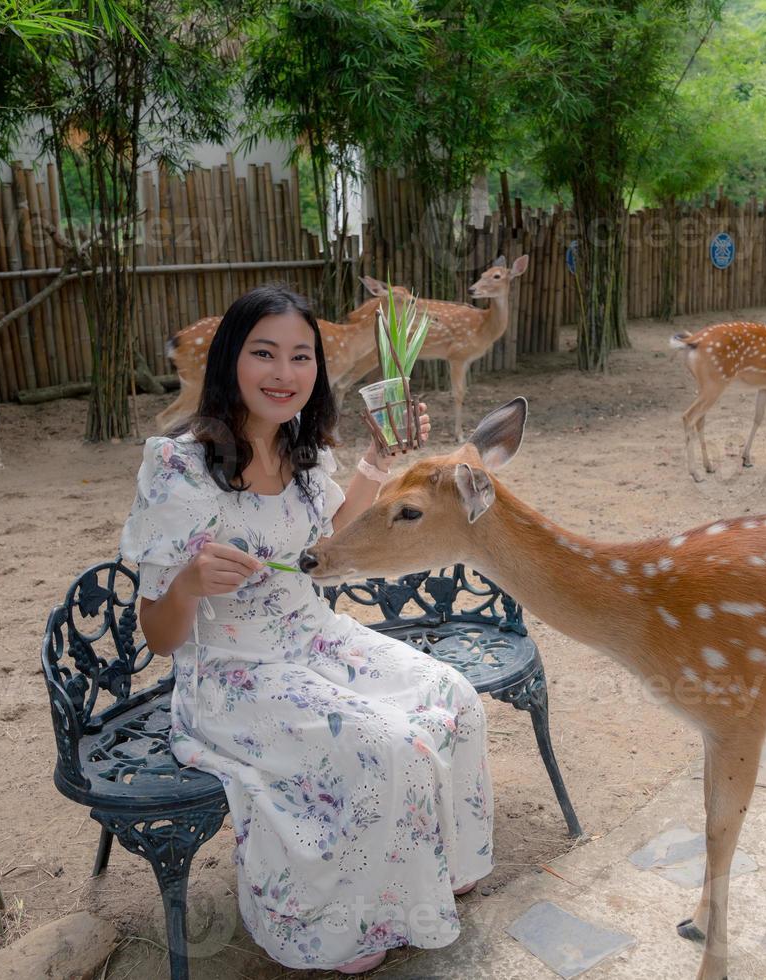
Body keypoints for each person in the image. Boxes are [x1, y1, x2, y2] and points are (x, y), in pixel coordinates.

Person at [120, 285, 493, 973]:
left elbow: (323, 540)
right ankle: (352, 922)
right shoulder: (178, 468)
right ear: (231, 358)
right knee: (389, 745)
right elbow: (160, 638)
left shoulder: (303, 454)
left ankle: (436, 873)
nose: (283, 373)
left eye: (300, 357)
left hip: (315, 640)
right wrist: (188, 582)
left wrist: (376, 461)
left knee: (453, 695)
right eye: (264, 353)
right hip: (233, 676)